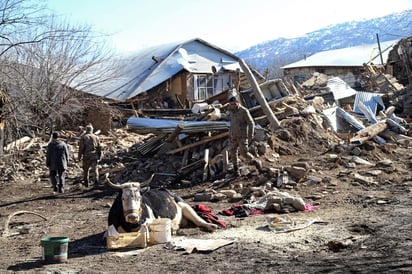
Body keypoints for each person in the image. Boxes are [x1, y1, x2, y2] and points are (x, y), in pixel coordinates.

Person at [226, 96, 259, 176]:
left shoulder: (244, 111)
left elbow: (251, 123)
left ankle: (256, 163)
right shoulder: (230, 110)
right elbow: (230, 121)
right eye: (231, 104)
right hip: (233, 136)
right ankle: (236, 171)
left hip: (242, 136)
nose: (233, 106)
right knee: (233, 153)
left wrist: (250, 134)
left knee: (244, 153)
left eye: (234, 104)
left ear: (237, 103)